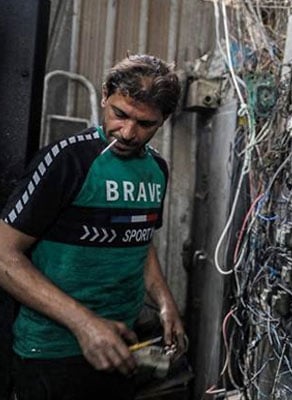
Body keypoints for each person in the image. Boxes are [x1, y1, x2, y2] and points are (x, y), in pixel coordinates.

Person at [0, 54, 185, 400]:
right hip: (52, 354)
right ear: (104, 96)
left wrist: (164, 301)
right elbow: (3, 255)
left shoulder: (156, 169)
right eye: (120, 115)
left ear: (164, 120)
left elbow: (138, 238)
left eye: (145, 124)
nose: (128, 133)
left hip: (120, 347)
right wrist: (84, 323)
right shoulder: (67, 160)